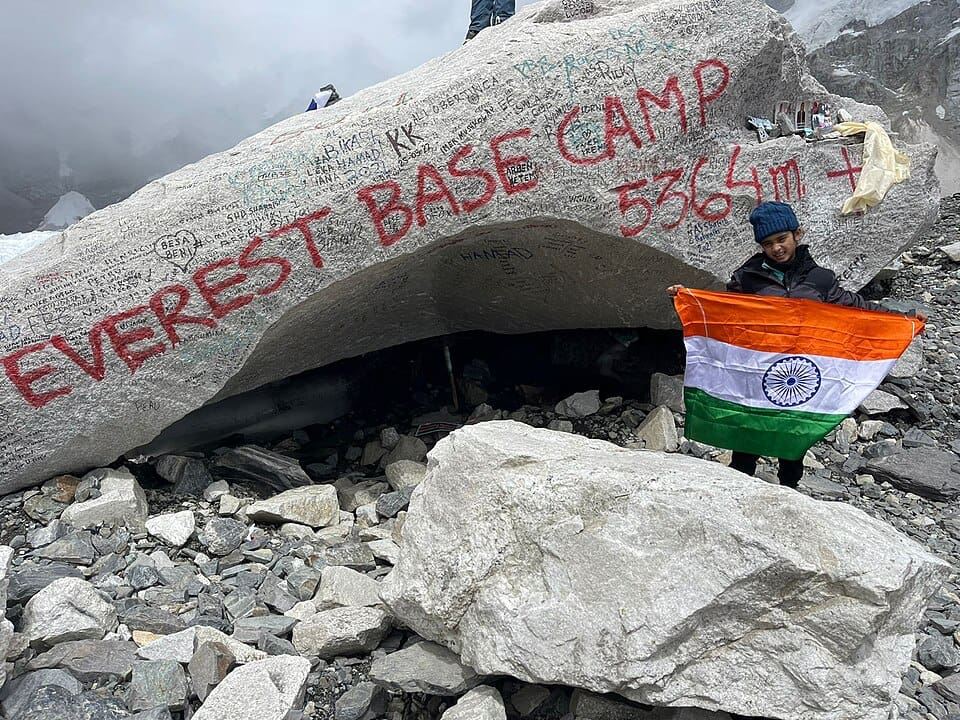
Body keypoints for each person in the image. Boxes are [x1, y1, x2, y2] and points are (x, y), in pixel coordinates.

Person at [667, 201, 926, 488]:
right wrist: (687, 299)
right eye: (768, 243)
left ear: (797, 234)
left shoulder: (820, 280)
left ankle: (790, 489)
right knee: (749, 432)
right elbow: (727, 314)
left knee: (793, 438)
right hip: (759, 368)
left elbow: (857, 309)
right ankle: (739, 487)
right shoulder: (748, 278)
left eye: (782, 239)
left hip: (802, 371)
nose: (776, 248)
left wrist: (904, 319)